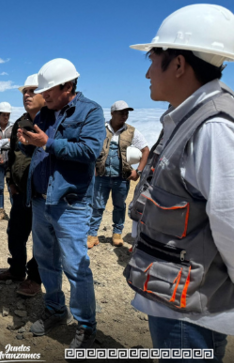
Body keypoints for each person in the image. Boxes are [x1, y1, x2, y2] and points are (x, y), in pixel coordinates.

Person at [125, 4, 234, 361]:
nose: (147, 75)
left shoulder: (213, 127)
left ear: (178, 64)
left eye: (152, 60)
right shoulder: (187, 119)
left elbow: (230, 220)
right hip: (177, 300)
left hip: (191, 310)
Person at [17, 59, 104, 348]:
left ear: (68, 86)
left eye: (49, 90)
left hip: (71, 203)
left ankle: (86, 326)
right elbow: (39, 147)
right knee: (46, 262)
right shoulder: (44, 113)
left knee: (76, 267)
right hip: (41, 202)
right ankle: (55, 309)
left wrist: (47, 143)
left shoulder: (90, 111)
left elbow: (90, 150)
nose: (44, 95)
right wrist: (28, 141)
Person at [0, 74, 43, 298]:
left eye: (32, 91)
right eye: (24, 92)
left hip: (43, 196)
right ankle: (17, 270)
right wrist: (10, 181)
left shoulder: (52, 124)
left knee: (41, 239)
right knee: (15, 234)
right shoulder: (21, 123)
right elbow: (11, 156)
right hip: (21, 194)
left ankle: (35, 278)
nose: (27, 96)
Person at [87, 101, 150, 249]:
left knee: (120, 205)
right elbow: (88, 146)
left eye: (126, 113)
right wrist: (90, 167)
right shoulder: (100, 129)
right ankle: (92, 234)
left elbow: (146, 150)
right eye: (121, 112)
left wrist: (138, 171)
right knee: (97, 206)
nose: (124, 115)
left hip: (122, 177)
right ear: (112, 113)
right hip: (101, 176)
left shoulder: (131, 131)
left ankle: (117, 233)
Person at [0, 102, 14, 221]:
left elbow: (15, 142)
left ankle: (15, 212)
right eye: (4, 115)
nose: (6, 117)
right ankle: (1, 211)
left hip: (11, 161)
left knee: (11, 187)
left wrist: (1, 143)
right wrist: (6, 141)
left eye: (8, 115)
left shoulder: (14, 127)